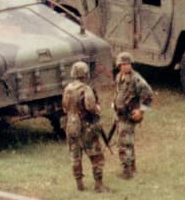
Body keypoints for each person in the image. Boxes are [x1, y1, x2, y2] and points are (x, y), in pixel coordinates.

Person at [62, 60, 108, 192]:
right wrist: (97, 109)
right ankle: (99, 185)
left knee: (75, 156)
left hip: (71, 125)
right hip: (86, 126)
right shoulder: (86, 89)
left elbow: (65, 108)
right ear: (85, 74)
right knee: (96, 156)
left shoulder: (67, 88)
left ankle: (79, 185)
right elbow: (91, 107)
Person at [112, 51, 153, 179]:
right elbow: (118, 92)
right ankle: (132, 167)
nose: (125, 66)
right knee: (127, 142)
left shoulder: (136, 79)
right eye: (122, 64)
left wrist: (140, 111)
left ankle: (127, 171)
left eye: (127, 63)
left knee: (124, 144)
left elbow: (148, 94)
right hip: (120, 115)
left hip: (129, 115)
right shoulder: (119, 77)